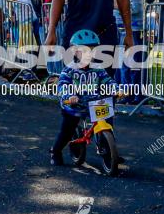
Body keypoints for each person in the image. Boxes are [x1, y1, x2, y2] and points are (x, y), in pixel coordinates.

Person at [49, 29, 118, 166]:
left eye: (92, 50)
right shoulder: (69, 70)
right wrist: (70, 95)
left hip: (94, 103)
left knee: (107, 123)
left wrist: (117, 89)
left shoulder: (98, 68)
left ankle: (109, 152)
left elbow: (108, 81)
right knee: (67, 131)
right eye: (84, 51)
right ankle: (55, 151)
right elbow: (62, 85)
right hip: (74, 106)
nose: (89, 54)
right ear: (75, 52)